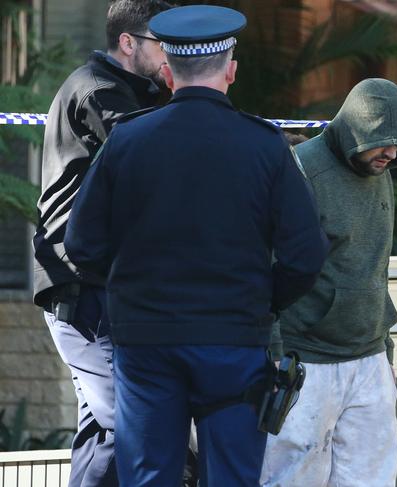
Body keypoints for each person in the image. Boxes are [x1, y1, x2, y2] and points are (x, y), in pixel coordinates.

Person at [63, 5, 327, 487]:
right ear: (231, 70)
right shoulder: (265, 145)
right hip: (233, 339)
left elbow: (80, 243)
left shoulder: (127, 141)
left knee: (147, 478)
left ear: (167, 71)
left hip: (146, 340)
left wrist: (130, 289)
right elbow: (306, 255)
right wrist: (263, 300)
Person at [32, 1, 171, 485]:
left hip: (90, 286)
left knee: (103, 433)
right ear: (128, 43)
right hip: (83, 290)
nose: (171, 55)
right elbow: (152, 160)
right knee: (137, 425)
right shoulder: (99, 92)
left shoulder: (129, 91)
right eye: (162, 44)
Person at [261, 78, 397, 487]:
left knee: (371, 479)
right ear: (354, 130)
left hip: (369, 362)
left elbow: (375, 265)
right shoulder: (301, 170)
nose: (392, 152)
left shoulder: (379, 169)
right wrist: (274, 349)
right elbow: (271, 265)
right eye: (382, 141)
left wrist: (385, 351)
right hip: (305, 360)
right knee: (292, 478)